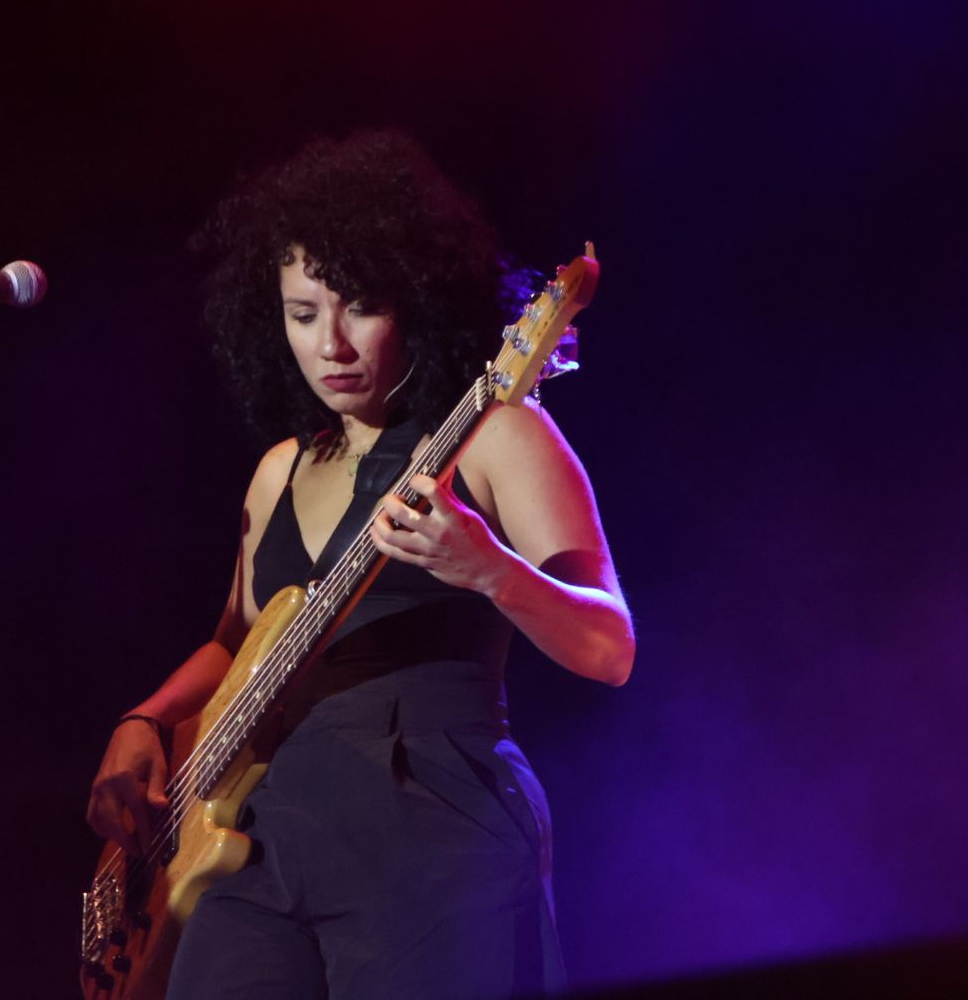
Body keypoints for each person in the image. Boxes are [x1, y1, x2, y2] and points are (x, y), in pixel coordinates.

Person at [86, 130, 634, 999]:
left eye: (359, 307)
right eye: (302, 314)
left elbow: (609, 646)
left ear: (416, 300)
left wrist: (488, 567)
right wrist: (144, 721)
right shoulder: (279, 469)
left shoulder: (499, 436)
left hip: (432, 816)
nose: (330, 344)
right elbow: (236, 647)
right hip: (256, 845)